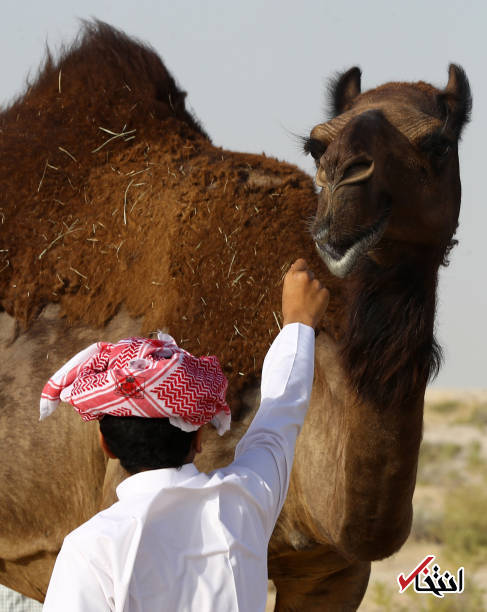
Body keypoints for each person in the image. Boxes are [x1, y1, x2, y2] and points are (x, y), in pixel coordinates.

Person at [41, 258, 329, 612]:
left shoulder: (90, 551)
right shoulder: (243, 503)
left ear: (107, 446)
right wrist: (299, 323)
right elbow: (279, 417)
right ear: (198, 439)